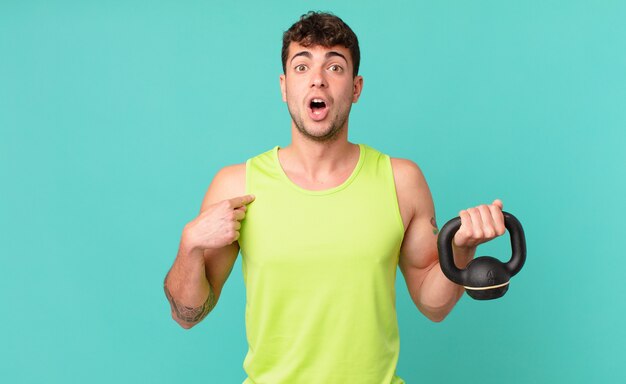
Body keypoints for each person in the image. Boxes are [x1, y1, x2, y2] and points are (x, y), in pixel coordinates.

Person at [164, 11, 507, 384]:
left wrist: (460, 251)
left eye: (335, 67)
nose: (317, 80)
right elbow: (187, 315)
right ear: (283, 86)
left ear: (356, 88)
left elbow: (433, 305)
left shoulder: (401, 181)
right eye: (301, 66)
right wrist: (190, 245)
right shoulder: (236, 187)